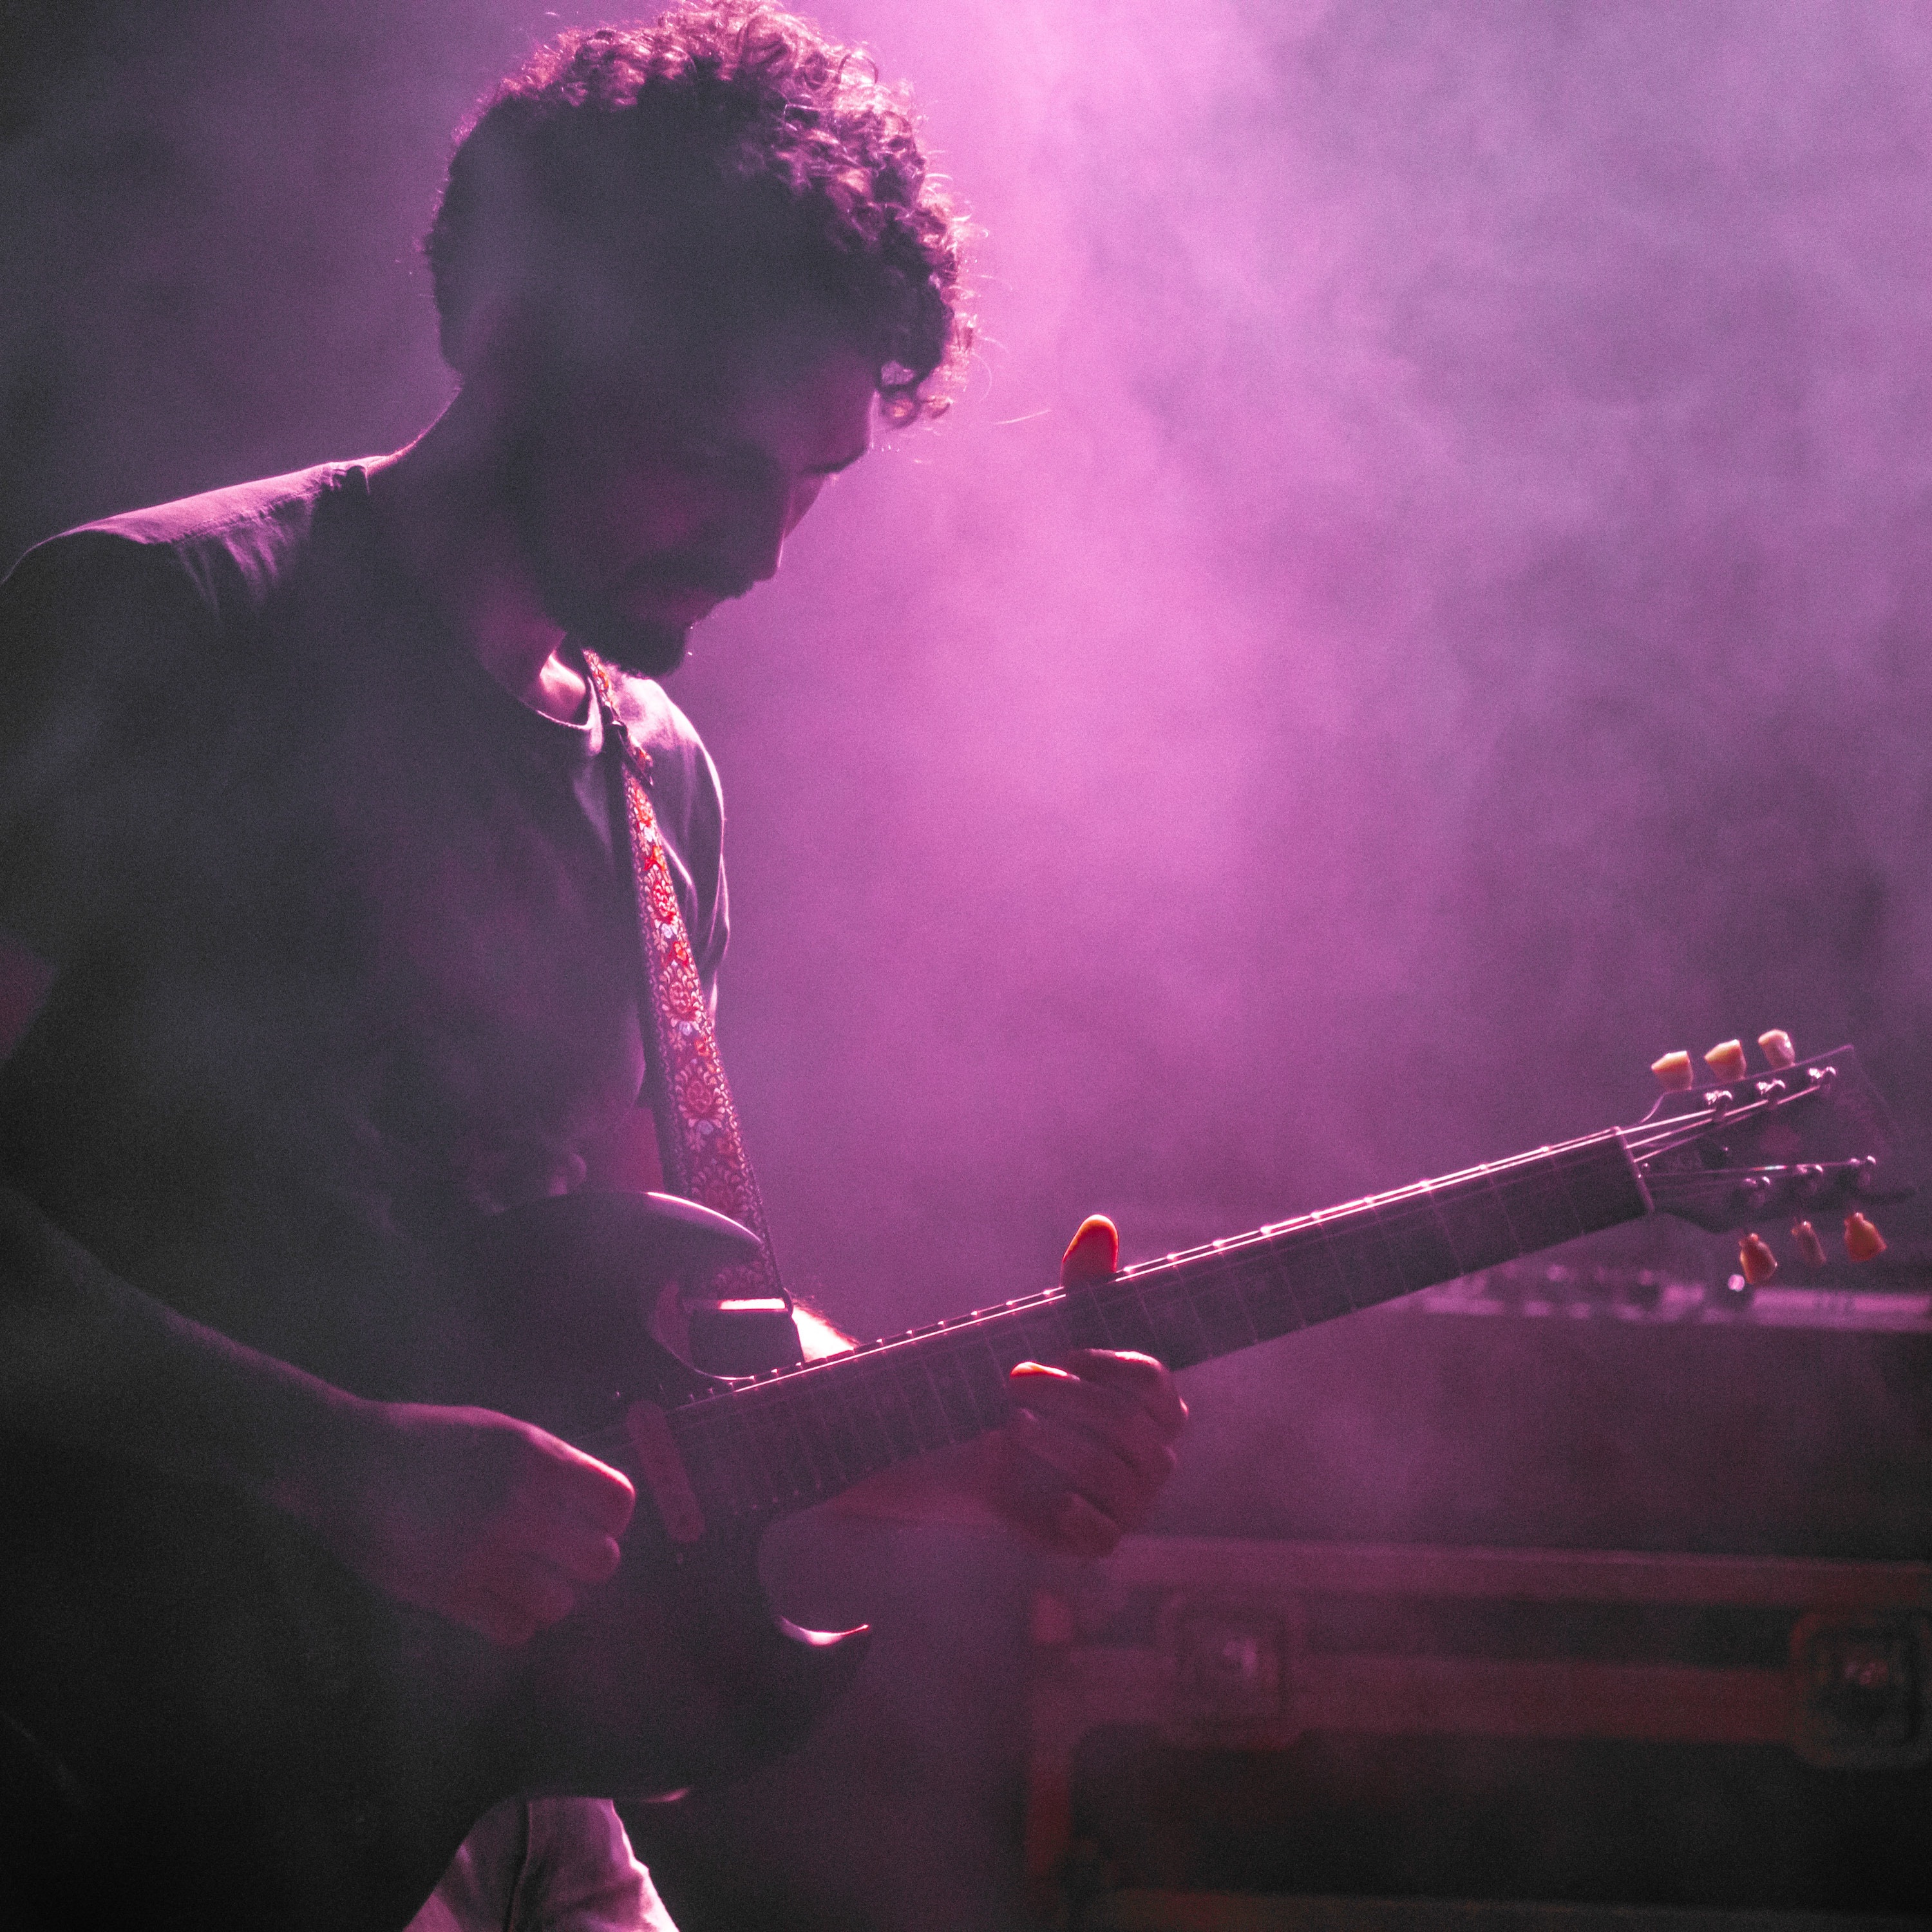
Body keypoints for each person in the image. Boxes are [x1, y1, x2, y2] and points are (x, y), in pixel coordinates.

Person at [0, 6, 1186, 1928]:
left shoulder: (659, 781)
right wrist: (334, 1465)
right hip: (112, 1754)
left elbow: (658, 1347)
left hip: (487, 1761)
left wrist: (980, 1447)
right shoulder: (167, 625)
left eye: (811, 479)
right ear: (520, 337)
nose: (765, 549)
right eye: (710, 461)